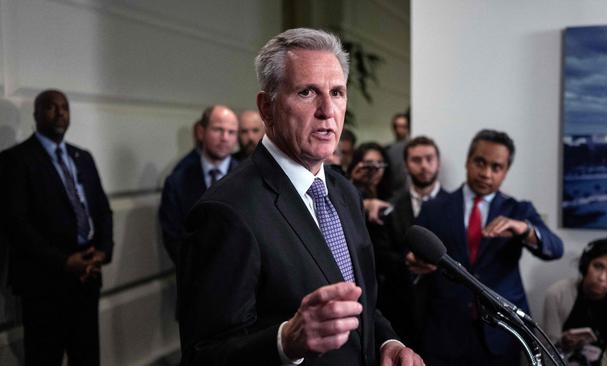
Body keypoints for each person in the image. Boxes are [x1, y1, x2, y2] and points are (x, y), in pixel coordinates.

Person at [177, 28, 423, 366]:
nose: (327, 110)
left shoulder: (344, 191)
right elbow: (203, 355)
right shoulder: (225, 212)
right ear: (267, 107)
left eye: (337, 92)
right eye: (307, 92)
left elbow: (359, 304)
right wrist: (285, 344)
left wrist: (387, 342)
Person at [412, 129, 564, 365]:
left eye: (496, 167)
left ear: (505, 172)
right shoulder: (435, 208)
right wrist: (412, 262)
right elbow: (412, 251)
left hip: (501, 334)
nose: (486, 173)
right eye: (480, 162)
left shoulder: (518, 211)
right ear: (468, 161)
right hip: (446, 330)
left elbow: (555, 248)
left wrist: (524, 229)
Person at [4, 89, 113, 366]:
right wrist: (64, 262)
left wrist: (103, 251)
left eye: (64, 107)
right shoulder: (15, 160)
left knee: (87, 357)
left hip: (87, 278)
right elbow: (17, 225)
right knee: (44, 357)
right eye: (51, 107)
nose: (60, 112)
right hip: (44, 285)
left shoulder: (82, 157)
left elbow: (101, 209)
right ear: (36, 114)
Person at [372, 136, 448, 344]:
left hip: (445, 311)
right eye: (416, 160)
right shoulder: (390, 207)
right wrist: (406, 260)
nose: (424, 166)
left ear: (438, 162)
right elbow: (379, 253)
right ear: (406, 164)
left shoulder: (455, 206)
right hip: (401, 310)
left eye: (429, 159)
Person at [159, 105, 239, 264]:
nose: (225, 137)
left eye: (231, 132)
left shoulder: (250, 178)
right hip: (195, 278)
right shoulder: (176, 182)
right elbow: (173, 238)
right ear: (202, 132)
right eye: (218, 130)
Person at [543, 238, 607, 366]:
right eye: (598, 266)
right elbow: (547, 353)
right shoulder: (557, 294)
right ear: (587, 264)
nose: (602, 278)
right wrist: (562, 345)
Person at [385, 113, 410, 195]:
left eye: (404, 126)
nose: (400, 130)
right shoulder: (387, 149)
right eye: (397, 126)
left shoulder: (414, 148)